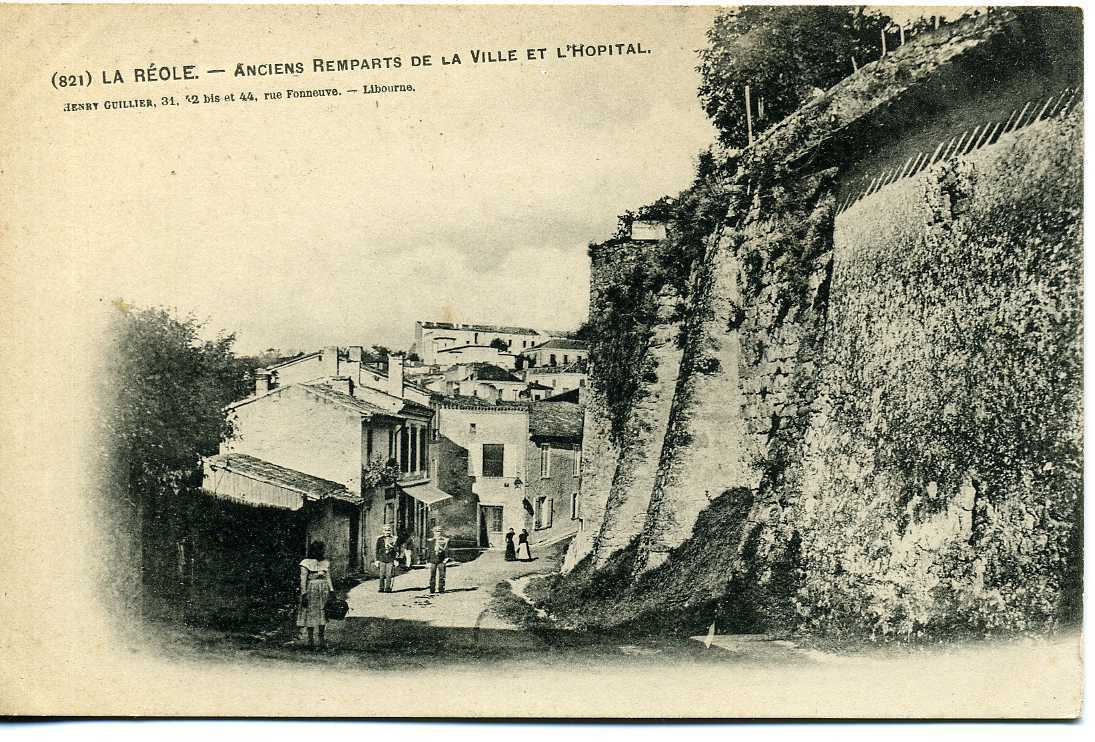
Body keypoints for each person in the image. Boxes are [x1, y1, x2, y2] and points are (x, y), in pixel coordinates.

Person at [297, 540, 334, 650]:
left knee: (323, 613)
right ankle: (310, 640)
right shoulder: (305, 563)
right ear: (314, 550)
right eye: (319, 549)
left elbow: (328, 577)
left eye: (322, 549)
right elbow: (303, 580)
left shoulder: (326, 562)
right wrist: (304, 594)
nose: (321, 552)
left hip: (324, 590)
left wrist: (332, 591)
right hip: (311, 590)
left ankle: (321, 638)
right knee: (311, 614)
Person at [375, 525, 398, 593]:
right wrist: (377, 560)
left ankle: (387, 588)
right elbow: (377, 550)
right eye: (385, 530)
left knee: (389, 574)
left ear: (390, 531)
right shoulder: (380, 539)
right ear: (383, 531)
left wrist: (396, 560)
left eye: (388, 530)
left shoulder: (394, 539)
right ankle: (381, 588)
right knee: (381, 574)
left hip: (390, 559)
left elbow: (396, 550)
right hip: (382, 559)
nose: (387, 532)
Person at [426, 526, 449, 594]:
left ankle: (441, 589)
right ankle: (432, 589)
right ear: (433, 532)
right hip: (433, 560)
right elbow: (429, 551)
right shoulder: (431, 541)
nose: (437, 533)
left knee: (442, 575)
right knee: (432, 575)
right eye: (436, 532)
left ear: (441, 532)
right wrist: (427, 561)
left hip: (441, 560)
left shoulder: (444, 540)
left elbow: (446, 550)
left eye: (439, 531)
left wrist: (446, 558)